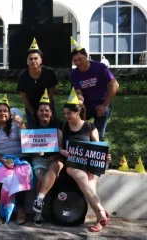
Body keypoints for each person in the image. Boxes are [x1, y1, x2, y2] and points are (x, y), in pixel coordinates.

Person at [59, 88, 110, 232]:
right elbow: (57, 146)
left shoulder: (89, 126)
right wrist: (62, 151)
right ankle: (101, 213)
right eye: (65, 113)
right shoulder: (63, 127)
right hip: (72, 164)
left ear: (77, 112)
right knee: (81, 177)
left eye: (69, 113)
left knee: (90, 188)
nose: (66, 116)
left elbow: (98, 147)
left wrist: (105, 157)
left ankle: (100, 218)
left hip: (90, 164)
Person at [0, 94, 32, 225]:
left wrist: (22, 123)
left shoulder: (16, 126)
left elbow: (28, 141)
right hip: (1, 159)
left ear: (9, 114)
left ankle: (21, 210)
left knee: (22, 175)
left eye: (5, 111)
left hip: (19, 159)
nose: (2, 113)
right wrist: (2, 160)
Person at [69, 37, 119, 141]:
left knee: (98, 134)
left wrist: (105, 105)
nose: (78, 63)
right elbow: (78, 91)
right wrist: (80, 102)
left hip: (102, 103)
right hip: (86, 106)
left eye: (80, 59)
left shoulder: (100, 67)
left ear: (86, 56)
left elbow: (114, 85)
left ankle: (99, 154)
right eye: (75, 61)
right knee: (80, 131)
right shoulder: (73, 75)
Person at [31, 89, 64, 227]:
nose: (44, 113)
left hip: (56, 157)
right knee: (39, 177)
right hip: (40, 159)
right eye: (41, 110)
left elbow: (63, 146)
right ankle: (38, 212)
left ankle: (39, 199)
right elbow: (28, 147)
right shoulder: (33, 127)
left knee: (56, 166)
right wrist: (35, 152)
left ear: (51, 113)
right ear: (37, 113)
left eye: (46, 110)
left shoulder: (60, 125)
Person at [17, 38, 58, 128]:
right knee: (33, 129)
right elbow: (24, 98)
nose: (33, 61)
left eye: (36, 58)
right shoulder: (23, 76)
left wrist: (47, 108)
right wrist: (32, 112)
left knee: (52, 128)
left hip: (47, 104)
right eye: (30, 59)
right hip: (31, 104)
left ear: (41, 60)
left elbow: (51, 93)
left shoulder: (49, 72)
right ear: (27, 61)